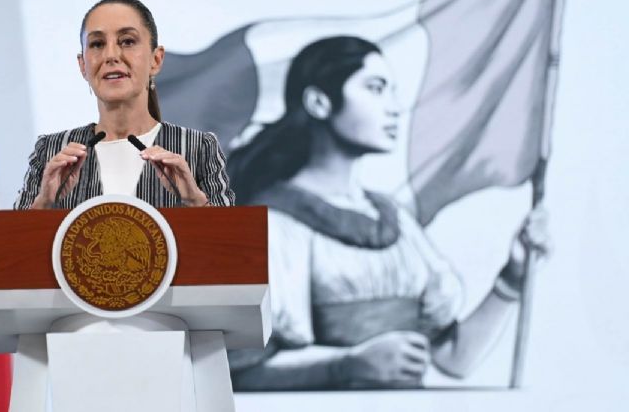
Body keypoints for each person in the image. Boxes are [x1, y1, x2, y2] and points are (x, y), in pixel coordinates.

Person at [226, 36, 549, 390]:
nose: (394, 107)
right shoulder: (273, 225)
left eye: (392, 91)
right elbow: (242, 372)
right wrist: (347, 365)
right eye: (376, 88)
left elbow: (454, 359)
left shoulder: (394, 219)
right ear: (319, 102)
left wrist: (513, 277)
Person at [14, 0, 234, 210]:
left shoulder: (198, 148)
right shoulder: (51, 152)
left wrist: (195, 200)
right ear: (83, 66)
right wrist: (44, 203)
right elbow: (9, 243)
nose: (111, 55)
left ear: (156, 60)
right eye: (97, 44)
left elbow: (235, 243)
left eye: (127, 41)